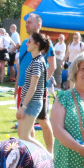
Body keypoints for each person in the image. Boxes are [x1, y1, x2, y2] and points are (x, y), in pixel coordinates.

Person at [16, 15, 55, 151]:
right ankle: (33, 157)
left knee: (25, 136)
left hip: (32, 102)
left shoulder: (38, 62)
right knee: (22, 135)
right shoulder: (35, 61)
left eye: (29, 42)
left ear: (37, 44)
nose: (26, 43)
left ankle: (47, 156)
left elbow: (32, 87)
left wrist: (23, 106)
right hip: (29, 100)